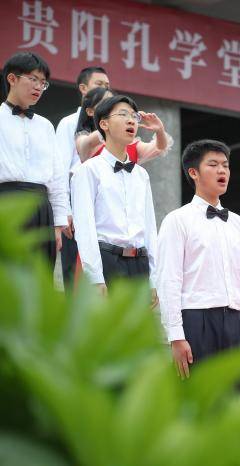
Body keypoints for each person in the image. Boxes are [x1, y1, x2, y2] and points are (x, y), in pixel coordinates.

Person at [156, 139, 240, 382]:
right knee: (195, 403)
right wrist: (176, 336)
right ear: (194, 172)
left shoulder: (239, 224)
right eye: (213, 164)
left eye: (225, 165)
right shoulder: (177, 220)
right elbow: (168, 280)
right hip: (196, 321)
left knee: (228, 405)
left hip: (234, 323)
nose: (222, 171)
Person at [70, 95, 157, 306]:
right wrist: (95, 277)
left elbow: (150, 228)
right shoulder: (88, 171)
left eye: (134, 116)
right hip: (106, 260)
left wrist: (154, 279)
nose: (131, 120)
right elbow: (85, 227)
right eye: (123, 114)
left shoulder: (141, 175)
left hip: (139, 263)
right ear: (104, 124)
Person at [0, 52, 68, 263]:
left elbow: (57, 177)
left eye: (43, 83)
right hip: (6, 203)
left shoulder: (46, 126)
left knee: (39, 279)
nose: (39, 87)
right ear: (12, 78)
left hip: (41, 208)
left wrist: (57, 223)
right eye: (33, 79)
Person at [55, 66, 109, 289]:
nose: (105, 90)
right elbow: (60, 168)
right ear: (83, 88)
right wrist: (65, 210)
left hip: (103, 201)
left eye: (108, 86)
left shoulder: (111, 125)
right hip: (76, 199)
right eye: (99, 85)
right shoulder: (68, 123)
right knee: (74, 269)